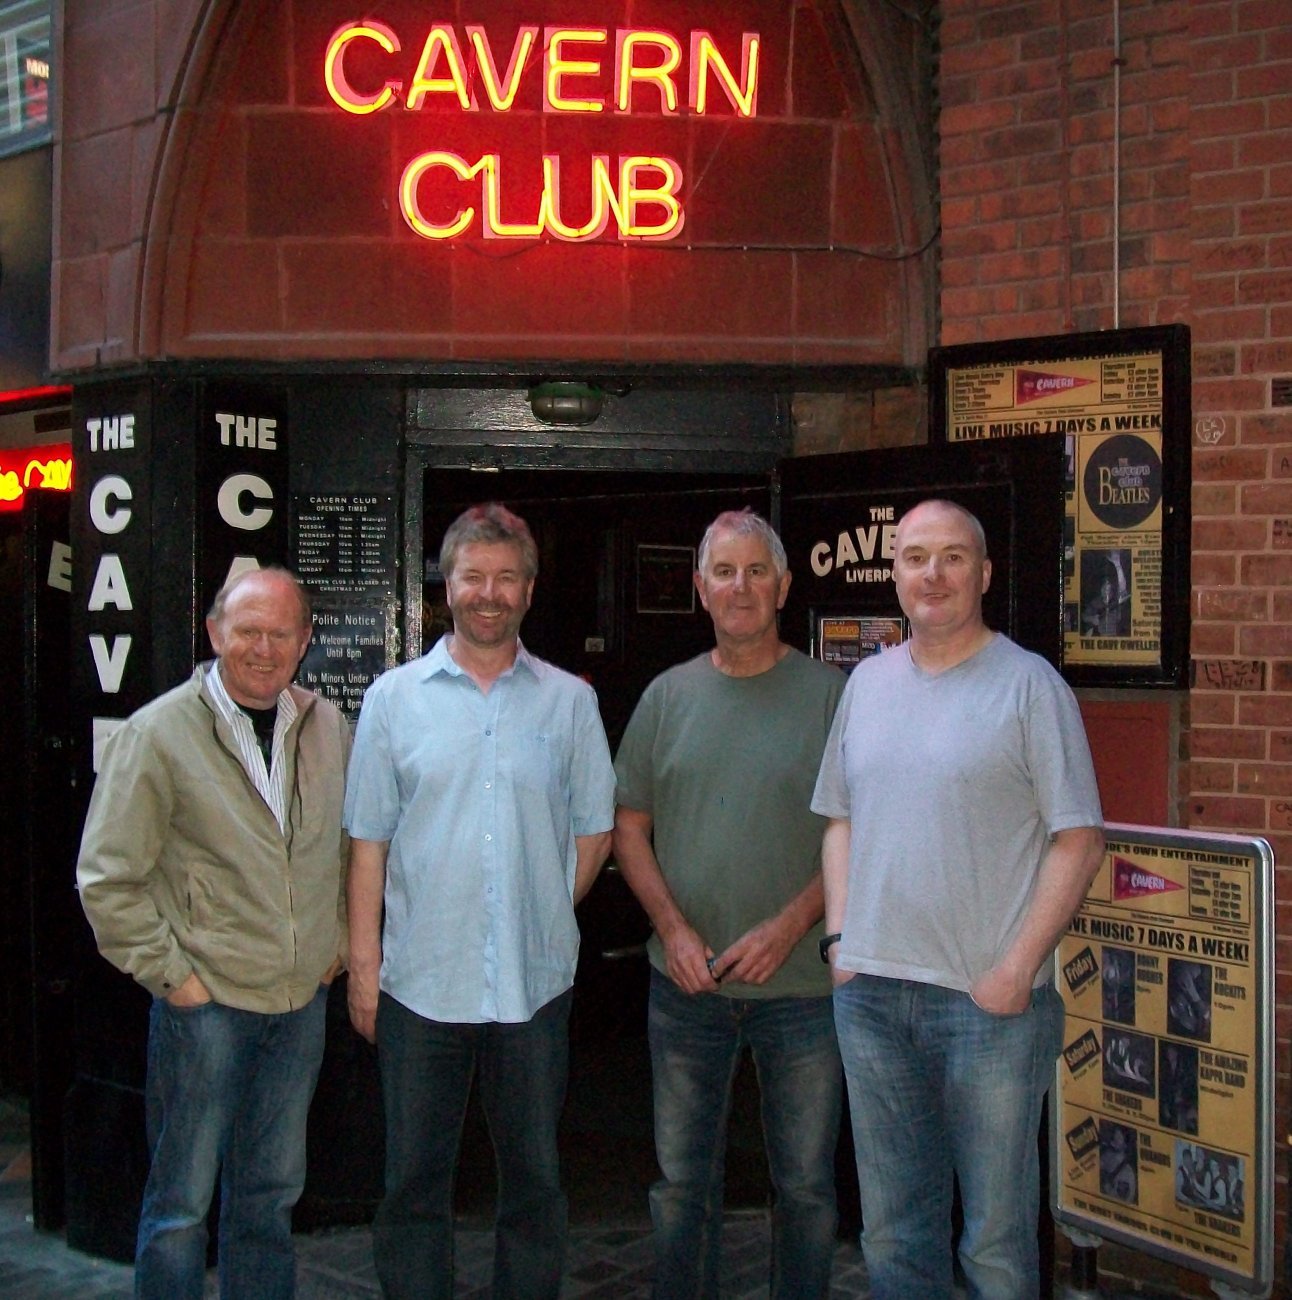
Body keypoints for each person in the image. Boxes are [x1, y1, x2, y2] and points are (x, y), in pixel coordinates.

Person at [812, 499, 1105, 1299]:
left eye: (952, 557)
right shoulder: (867, 683)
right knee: (893, 1232)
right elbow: (839, 820)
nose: (932, 574)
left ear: (983, 573)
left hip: (989, 1009)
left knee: (996, 1243)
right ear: (895, 574)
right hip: (872, 996)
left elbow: (1079, 840)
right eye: (915, 557)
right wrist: (841, 943)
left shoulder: (1030, 686)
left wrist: (1015, 970)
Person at [344, 502, 615, 1300]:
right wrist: (364, 969)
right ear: (447, 584)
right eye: (473, 576)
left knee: (534, 1183)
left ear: (529, 589)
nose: (488, 594)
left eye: (505, 578)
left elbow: (595, 832)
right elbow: (368, 843)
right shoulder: (393, 700)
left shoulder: (570, 702)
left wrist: (539, 910)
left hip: (534, 989)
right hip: (420, 985)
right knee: (412, 1186)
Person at [76, 567, 351, 1300]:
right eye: (248, 631)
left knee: (269, 1199)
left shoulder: (328, 727)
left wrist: (336, 946)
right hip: (206, 1011)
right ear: (214, 633)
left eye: (280, 633)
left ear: (304, 641)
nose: (264, 648)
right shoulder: (157, 733)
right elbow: (106, 878)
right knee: (180, 1207)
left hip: (299, 1007)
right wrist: (178, 981)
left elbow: (350, 848)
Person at [614, 509, 845, 1298]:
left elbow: (860, 834)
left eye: (756, 571)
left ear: (783, 585)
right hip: (688, 986)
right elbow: (628, 827)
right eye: (724, 572)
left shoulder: (832, 697)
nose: (740, 587)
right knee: (682, 1186)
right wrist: (671, 929)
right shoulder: (666, 697)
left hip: (803, 990)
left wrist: (792, 925)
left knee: (806, 1188)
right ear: (700, 588)